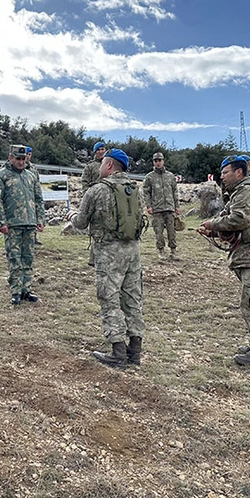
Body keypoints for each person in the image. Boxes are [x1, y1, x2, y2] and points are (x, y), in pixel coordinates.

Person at [67, 148, 145, 368]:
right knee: (132, 300)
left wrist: (71, 215)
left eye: (102, 163)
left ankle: (118, 352)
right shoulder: (135, 189)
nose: (100, 166)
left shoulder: (97, 189)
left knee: (109, 300)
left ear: (109, 165)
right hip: (133, 251)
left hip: (109, 253)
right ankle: (135, 351)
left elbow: (81, 223)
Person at [200, 155, 250, 366]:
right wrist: (215, 231)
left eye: (226, 172)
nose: (222, 176)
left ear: (239, 172)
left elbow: (239, 219)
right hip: (249, 255)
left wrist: (213, 224)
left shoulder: (247, 191)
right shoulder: (239, 193)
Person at [0, 145, 45, 305]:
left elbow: (38, 199)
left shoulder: (31, 176)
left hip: (30, 223)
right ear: (10, 158)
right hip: (12, 224)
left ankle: (26, 289)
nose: (21, 162)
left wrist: (40, 219)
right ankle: (15, 291)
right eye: (18, 158)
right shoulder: (1, 176)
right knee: (14, 258)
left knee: (28, 258)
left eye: (23, 159)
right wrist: (1, 222)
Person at [142, 152, 180, 261]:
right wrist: (149, 206)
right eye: (156, 161)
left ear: (163, 161)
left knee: (172, 231)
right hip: (157, 209)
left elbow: (175, 192)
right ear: (153, 162)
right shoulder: (149, 177)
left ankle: (173, 251)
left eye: (160, 160)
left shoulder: (170, 176)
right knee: (158, 232)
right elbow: (146, 193)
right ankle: (161, 251)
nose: (158, 163)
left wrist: (176, 206)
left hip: (169, 208)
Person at [81, 141, 106, 266]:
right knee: (96, 231)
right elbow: (85, 183)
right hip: (95, 202)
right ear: (95, 152)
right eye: (98, 150)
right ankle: (93, 259)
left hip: (108, 202)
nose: (101, 151)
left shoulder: (109, 164)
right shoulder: (90, 166)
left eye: (103, 149)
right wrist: (88, 199)